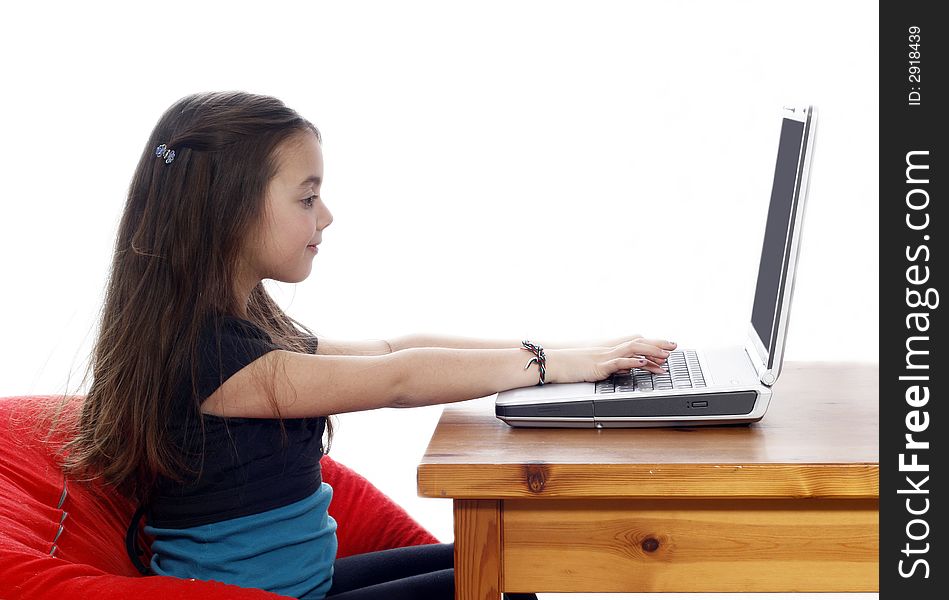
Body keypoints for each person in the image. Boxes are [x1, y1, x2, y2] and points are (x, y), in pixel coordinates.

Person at [56, 91, 677, 600]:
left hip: (310, 585)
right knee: (506, 584)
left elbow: (389, 350)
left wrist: (567, 354)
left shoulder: (238, 330)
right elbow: (398, 380)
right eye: (306, 197)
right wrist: (549, 367)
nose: (326, 216)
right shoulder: (210, 360)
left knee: (508, 563)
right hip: (277, 598)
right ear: (228, 213)